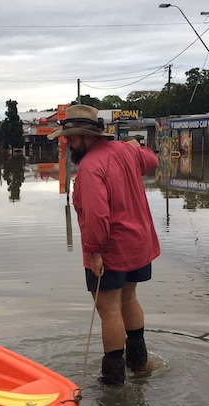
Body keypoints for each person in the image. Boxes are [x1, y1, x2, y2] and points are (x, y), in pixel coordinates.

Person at [48, 104, 161, 386]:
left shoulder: (89, 168)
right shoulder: (126, 151)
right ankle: (139, 363)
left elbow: (97, 214)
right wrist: (134, 145)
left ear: (87, 137)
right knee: (129, 299)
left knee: (108, 310)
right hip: (139, 243)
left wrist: (95, 251)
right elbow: (152, 161)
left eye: (71, 137)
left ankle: (113, 381)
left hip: (110, 248)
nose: (68, 142)